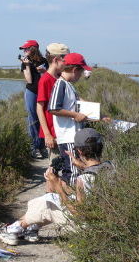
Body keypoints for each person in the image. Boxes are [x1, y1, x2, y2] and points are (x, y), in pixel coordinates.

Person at [0, 128, 114, 245]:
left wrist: (57, 185)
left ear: (79, 151)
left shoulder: (83, 179)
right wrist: (83, 166)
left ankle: (10, 231)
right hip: (107, 223)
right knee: (52, 199)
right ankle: (28, 227)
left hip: (88, 228)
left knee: (47, 202)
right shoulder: (111, 166)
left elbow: (78, 213)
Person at [48, 53, 92, 186]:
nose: (81, 75)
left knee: (75, 169)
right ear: (74, 70)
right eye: (81, 71)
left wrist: (98, 114)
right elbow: (53, 108)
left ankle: (70, 199)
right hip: (67, 137)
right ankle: (69, 200)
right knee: (72, 172)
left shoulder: (68, 85)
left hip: (74, 136)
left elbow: (79, 102)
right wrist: (75, 115)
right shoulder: (60, 84)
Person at [36, 43, 70, 163]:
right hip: (52, 133)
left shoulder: (60, 77)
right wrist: (47, 134)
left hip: (61, 131)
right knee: (54, 169)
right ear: (56, 59)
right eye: (65, 60)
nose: (67, 64)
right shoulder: (45, 80)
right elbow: (39, 108)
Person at [19, 40, 47, 159]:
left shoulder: (44, 61)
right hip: (31, 92)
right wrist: (27, 66)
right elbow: (29, 80)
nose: (24, 51)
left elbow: (49, 76)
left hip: (43, 91)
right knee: (32, 118)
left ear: (33, 49)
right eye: (24, 49)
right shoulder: (25, 62)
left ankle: (41, 146)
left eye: (26, 49)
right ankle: (34, 147)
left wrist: (44, 71)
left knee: (43, 118)